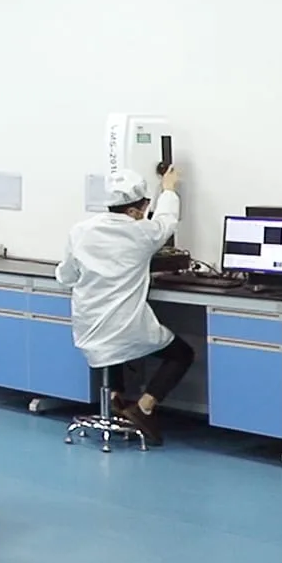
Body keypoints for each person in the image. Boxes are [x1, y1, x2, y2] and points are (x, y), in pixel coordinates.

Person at [56, 166, 193, 446]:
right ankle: (143, 407)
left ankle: (115, 398)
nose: (145, 212)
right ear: (134, 210)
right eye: (144, 207)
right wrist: (168, 188)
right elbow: (167, 220)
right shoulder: (142, 233)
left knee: (110, 350)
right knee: (182, 354)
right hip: (125, 328)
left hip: (89, 327)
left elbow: (66, 276)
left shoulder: (80, 231)